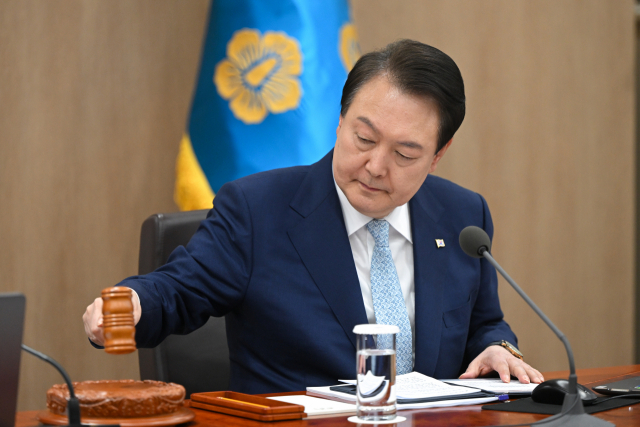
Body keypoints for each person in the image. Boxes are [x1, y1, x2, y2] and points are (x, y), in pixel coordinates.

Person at [84, 39, 543, 393]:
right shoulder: (257, 210)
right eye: (364, 139)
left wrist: (494, 347)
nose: (375, 166)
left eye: (405, 154)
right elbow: (179, 289)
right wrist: (131, 304)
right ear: (340, 121)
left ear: (438, 155)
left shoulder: (462, 217)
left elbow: (483, 322)